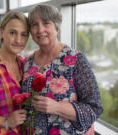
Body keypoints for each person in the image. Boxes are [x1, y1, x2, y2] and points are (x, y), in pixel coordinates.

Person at [21, 4, 103, 135]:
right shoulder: (27, 62)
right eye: (34, 25)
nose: (40, 29)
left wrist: (58, 107)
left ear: (56, 27)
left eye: (46, 23)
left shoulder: (76, 60)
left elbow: (94, 108)